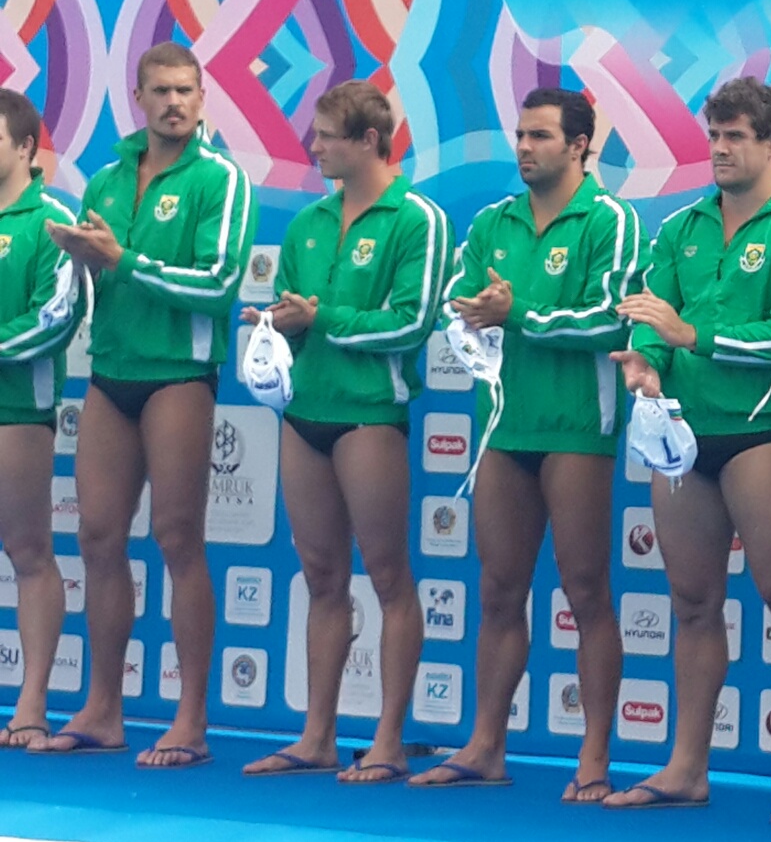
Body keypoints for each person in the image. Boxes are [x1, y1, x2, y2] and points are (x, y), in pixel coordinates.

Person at [603, 77, 771, 823]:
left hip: (759, 431)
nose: (720, 148)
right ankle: (687, 765)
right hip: (683, 431)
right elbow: (652, 316)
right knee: (692, 603)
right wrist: (646, 362)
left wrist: (692, 336)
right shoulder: (681, 227)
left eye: (736, 136)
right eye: (714, 135)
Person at [410, 87, 643, 801]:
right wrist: (472, 313)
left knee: (586, 590)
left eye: (540, 135)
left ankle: (594, 754)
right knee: (498, 589)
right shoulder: (492, 222)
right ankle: (486, 744)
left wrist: (521, 314)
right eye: (520, 134)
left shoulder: (610, 219)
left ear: (580, 145)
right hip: (503, 427)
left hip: (575, 428)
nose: (524, 147)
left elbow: (612, 321)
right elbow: (455, 305)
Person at [37, 42, 252, 767]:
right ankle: (103, 706)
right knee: (98, 537)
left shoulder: (220, 178)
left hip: (178, 373)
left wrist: (121, 259)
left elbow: (218, 284)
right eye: (161, 91)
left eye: (186, 90)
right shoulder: (105, 178)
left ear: (202, 97)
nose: (174, 103)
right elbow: (90, 280)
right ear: (138, 97)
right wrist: (77, 260)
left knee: (177, 536)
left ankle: (191, 718)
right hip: (111, 370)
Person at [241, 81, 451, 784]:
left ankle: (388, 738)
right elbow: (298, 317)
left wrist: (320, 317)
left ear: (368, 140)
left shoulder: (416, 218)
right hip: (306, 413)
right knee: (322, 576)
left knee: (388, 575)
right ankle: (318, 736)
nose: (314, 146)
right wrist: (275, 331)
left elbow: (411, 323)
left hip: (368, 414)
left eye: (327, 135)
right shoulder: (308, 221)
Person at [0, 89, 87, 751]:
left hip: (16, 411)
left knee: (29, 552)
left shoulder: (52, 218)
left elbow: (55, 317)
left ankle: (31, 704)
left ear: (27, 147)